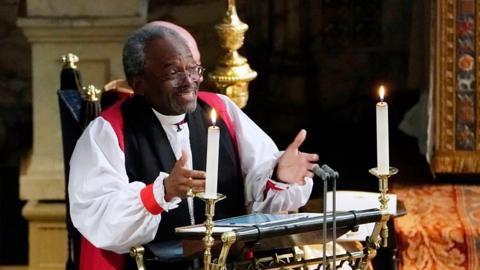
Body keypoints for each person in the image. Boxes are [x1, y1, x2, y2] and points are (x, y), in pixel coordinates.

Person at [68, 21, 319, 269]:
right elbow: (98, 215)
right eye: (173, 72)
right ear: (139, 83)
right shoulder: (107, 131)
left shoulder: (221, 110)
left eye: (193, 68)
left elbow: (259, 192)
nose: (189, 81)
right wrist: (161, 193)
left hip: (227, 263)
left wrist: (280, 176)